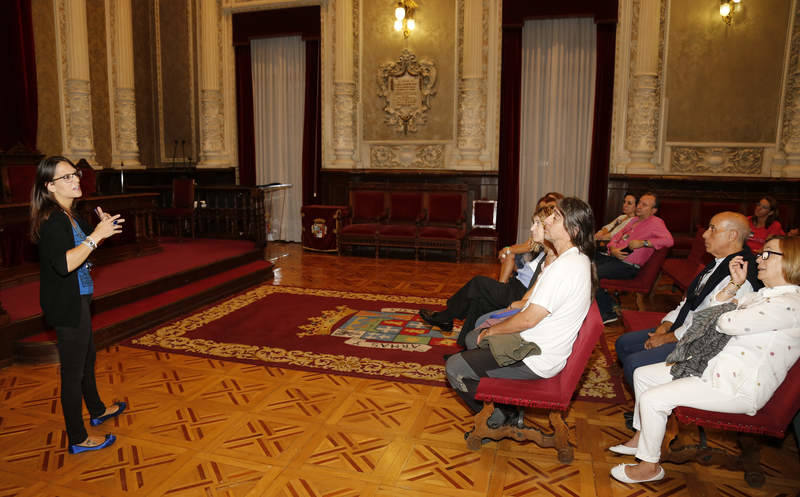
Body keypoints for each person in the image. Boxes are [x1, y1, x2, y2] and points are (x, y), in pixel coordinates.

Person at [608, 235, 800, 484]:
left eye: (767, 254)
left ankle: (648, 467)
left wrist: (727, 312)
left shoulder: (790, 305)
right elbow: (715, 308)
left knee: (653, 399)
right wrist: (734, 284)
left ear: (791, 261)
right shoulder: (764, 295)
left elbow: (725, 322)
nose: (758, 259)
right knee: (643, 375)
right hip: (715, 369)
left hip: (737, 387)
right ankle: (641, 438)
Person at [444, 197, 596, 426]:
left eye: (556, 218)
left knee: (455, 367)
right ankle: (504, 404)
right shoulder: (574, 259)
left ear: (572, 230)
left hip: (534, 358)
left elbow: (527, 319)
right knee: (474, 338)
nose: (548, 222)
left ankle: (501, 416)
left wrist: (493, 332)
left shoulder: (565, 267)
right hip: (536, 345)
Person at [30, 156, 128, 454]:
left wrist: (101, 228)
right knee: (72, 373)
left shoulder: (70, 214)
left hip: (79, 296)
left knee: (87, 360)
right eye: (66, 177)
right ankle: (77, 437)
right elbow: (64, 264)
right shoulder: (53, 220)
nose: (75, 180)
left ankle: (97, 410)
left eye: (75, 174)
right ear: (49, 186)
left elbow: (84, 250)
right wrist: (96, 237)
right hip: (65, 303)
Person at [615, 212, 762, 388]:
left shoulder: (740, 274)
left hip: (700, 344)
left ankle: (659, 398)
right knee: (623, 344)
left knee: (634, 364)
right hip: (684, 328)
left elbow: (708, 323)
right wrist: (666, 325)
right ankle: (650, 392)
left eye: (713, 229)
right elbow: (689, 302)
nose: (705, 234)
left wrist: (668, 338)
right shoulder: (719, 262)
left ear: (732, 235)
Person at [418, 193, 563, 347]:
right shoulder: (544, 247)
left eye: (538, 224)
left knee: (478, 283)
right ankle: (465, 348)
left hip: (520, 292)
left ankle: (446, 316)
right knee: (478, 301)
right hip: (515, 285)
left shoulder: (553, 252)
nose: (533, 228)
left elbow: (537, 287)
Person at [595, 192, 674, 322]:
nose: (639, 206)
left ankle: (607, 312)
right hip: (615, 258)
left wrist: (644, 243)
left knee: (593, 273)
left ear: (653, 210)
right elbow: (615, 237)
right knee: (586, 261)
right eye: (639, 203)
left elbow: (669, 241)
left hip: (628, 267)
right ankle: (604, 303)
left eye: (644, 205)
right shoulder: (633, 220)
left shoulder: (656, 222)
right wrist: (613, 249)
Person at [497, 192, 564, 283]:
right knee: (509, 255)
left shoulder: (553, 231)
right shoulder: (539, 225)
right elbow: (529, 243)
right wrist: (507, 249)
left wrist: (507, 250)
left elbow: (529, 246)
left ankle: (504, 285)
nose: (545, 209)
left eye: (550, 205)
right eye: (541, 207)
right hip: (533, 258)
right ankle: (504, 284)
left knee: (510, 255)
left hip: (534, 261)